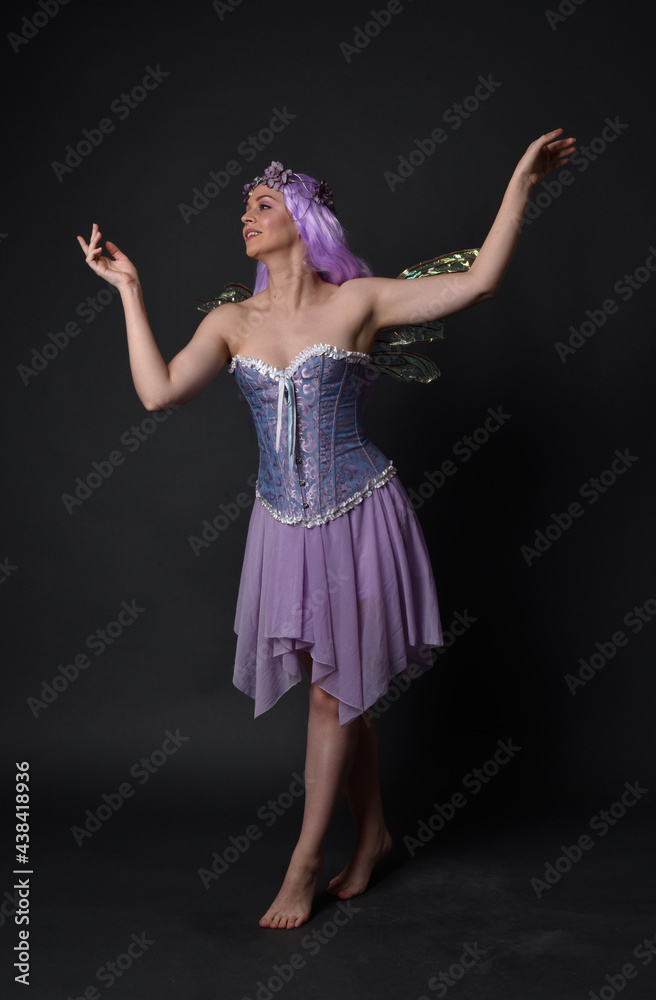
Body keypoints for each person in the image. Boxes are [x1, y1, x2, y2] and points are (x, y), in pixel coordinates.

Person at [77, 128, 576, 930]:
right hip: (282, 525)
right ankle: (373, 832)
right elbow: (157, 394)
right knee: (342, 694)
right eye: (244, 205)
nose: (247, 213)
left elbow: (480, 282)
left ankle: (304, 865)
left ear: (303, 221)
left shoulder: (359, 301)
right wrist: (129, 291)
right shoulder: (230, 320)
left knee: (329, 697)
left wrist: (522, 180)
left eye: (264, 202)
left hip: (357, 513)